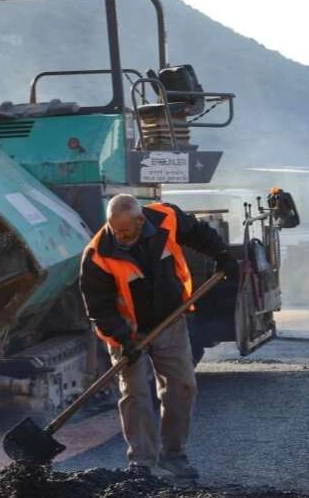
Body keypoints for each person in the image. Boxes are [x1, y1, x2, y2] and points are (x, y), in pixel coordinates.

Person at [79, 194, 238, 479]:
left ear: (141, 220)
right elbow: (99, 309)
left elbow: (199, 233)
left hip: (169, 321)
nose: (120, 237)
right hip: (127, 331)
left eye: (126, 231)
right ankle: (141, 462)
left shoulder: (167, 217)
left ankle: (173, 455)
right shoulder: (98, 255)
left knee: (183, 386)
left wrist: (222, 255)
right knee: (135, 393)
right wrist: (124, 340)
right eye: (115, 231)